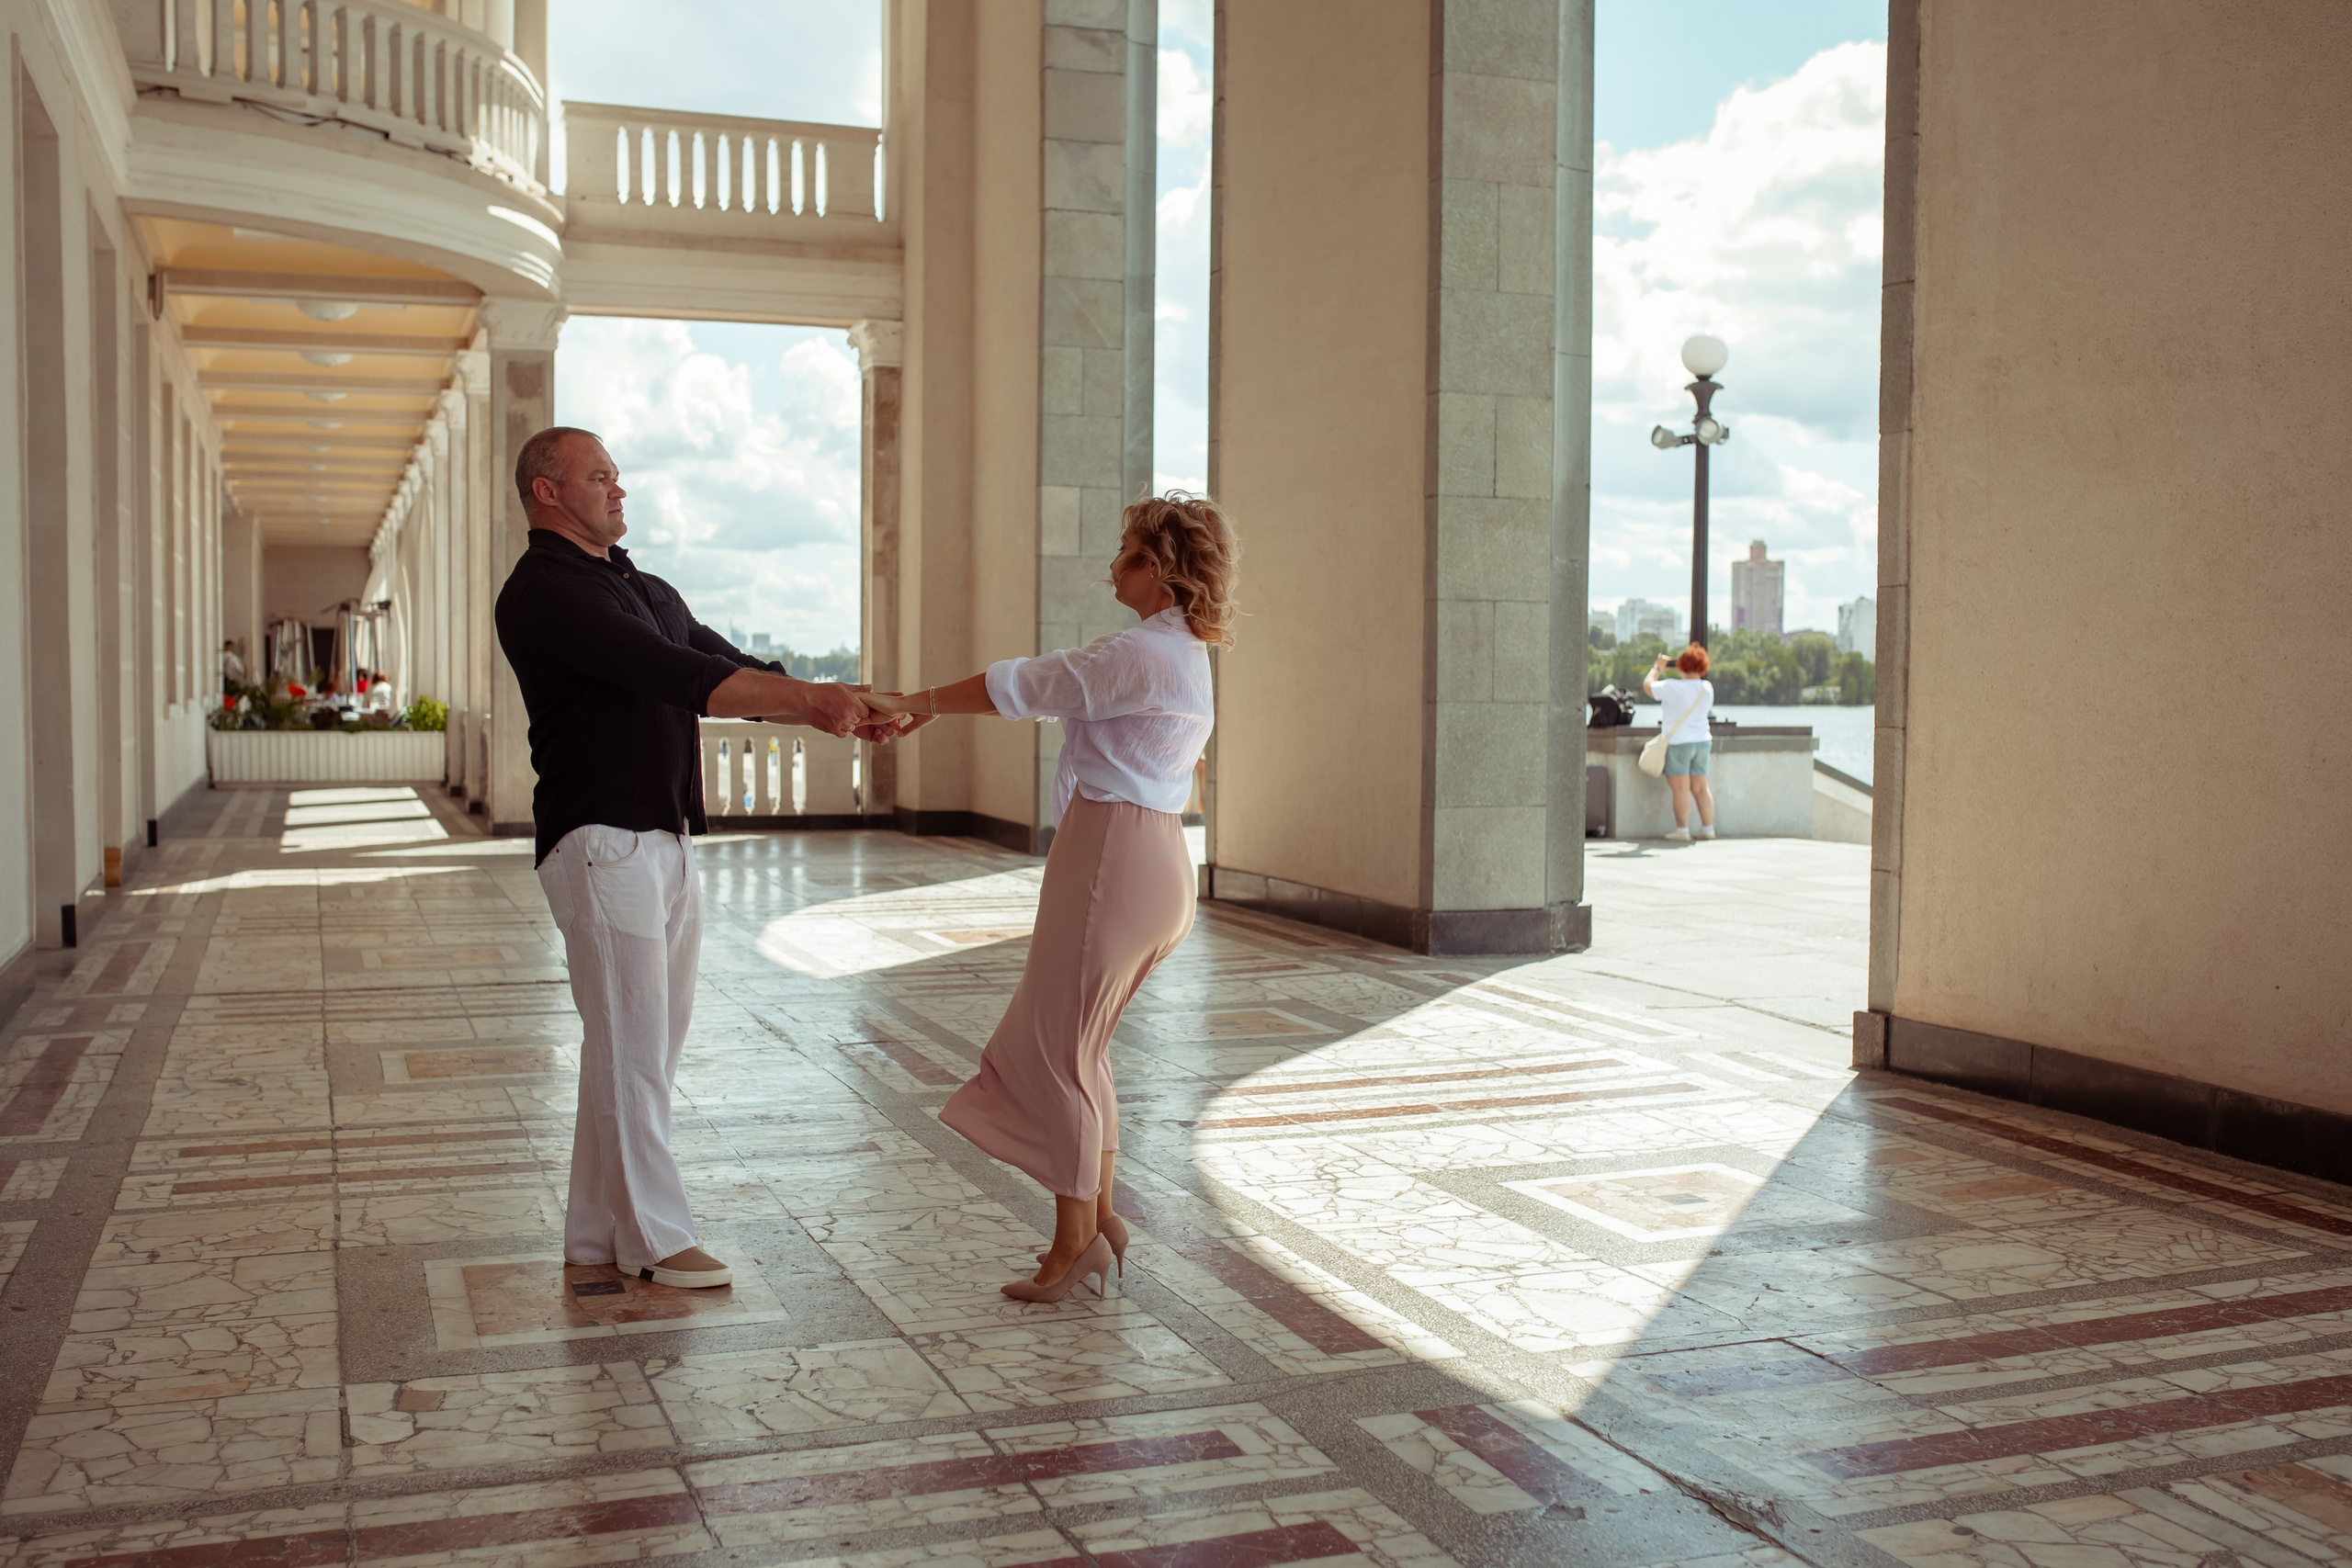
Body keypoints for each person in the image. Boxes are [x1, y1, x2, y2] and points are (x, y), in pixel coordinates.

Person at [493, 426, 905, 1291]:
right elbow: (673, 674)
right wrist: (813, 701)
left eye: (618, 477)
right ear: (546, 491)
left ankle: (596, 1239)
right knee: (635, 1051)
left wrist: (845, 706)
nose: (619, 489)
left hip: (665, 838)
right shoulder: (544, 591)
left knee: (636, 1048)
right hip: (600, 842)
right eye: (598, 477)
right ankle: (656, 1238)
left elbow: (726, 664)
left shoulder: (640, 585)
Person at [864, 494, 1238, 1303]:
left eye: (1128, 550)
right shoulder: (1187, 655)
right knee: (1083, 1048)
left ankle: (1072, 1242)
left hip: (1112, 855)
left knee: (1057, 1050)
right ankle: (1098, 1219)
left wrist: (909, 702)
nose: (1114, 564)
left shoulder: (1142, 651)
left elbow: (1031, 684)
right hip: (1158, 859)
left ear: (1160, 569)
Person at [1645, 643, 1716, 842]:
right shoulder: (1707, 688)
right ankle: (1708, 828)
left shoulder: (1673, 687)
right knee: (1702, 788)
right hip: (1702, 741)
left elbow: (1648, 686)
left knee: (1680, 789)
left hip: (1679, 743)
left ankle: (1682, 830)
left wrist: (1657, 667)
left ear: (1682, 666)